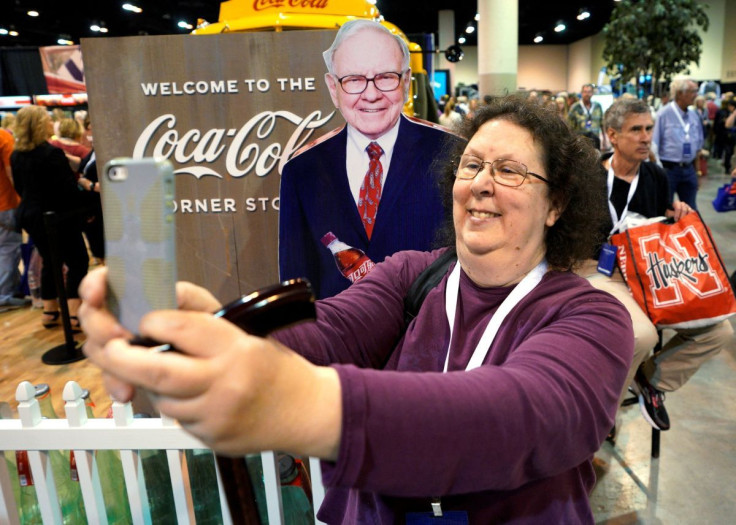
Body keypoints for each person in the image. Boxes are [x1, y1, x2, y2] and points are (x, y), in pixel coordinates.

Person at [79, 97, 632, 523]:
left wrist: (297, 402)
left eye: (510, 171)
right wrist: (221, 336)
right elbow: (328, 332)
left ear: (556, 203)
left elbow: (517, 417)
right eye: (470, 166)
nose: (481, 184)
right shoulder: (414, 273)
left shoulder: (589, 316)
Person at [579, 98, 733, 432]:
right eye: (636, 130)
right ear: (612, 135)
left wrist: (677, 216)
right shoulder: (588, 178)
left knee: (720, 330)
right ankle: (600, 419)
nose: (646, 137)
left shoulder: (656, 176)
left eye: (649, 129)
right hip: (601, 270)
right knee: (641, 335)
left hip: (650, 272)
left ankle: (651, 380)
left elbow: (662, 226)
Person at [279, 20, 461, 299]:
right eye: (354, 80)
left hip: (434, 337)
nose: (372, 94)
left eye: (386, 77)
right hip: (336, 338)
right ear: (333, 88)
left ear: (407, 81)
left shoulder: (454, 153)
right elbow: (297, 282)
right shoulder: (301, 169)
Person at [11, 105, 89, 330]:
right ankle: (74, 316)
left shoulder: (17, 155)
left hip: (30, 215)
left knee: (50, 261)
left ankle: (49, 311)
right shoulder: (51, 154)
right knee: (77, 261)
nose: (49, 123)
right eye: (45, 120)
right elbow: (67, 189)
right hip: (58, 215)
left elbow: (20, 188)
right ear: (38, 125)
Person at [652, 77, 704, 209]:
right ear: (680, 93)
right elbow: (654, 146)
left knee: (691, 211)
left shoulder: (694, 116)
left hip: (689, 170)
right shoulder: (663, 114)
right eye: (693, 91)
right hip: (668, 170)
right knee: (664, 209)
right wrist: (658, 174)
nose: (696, 95)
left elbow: (698, 147)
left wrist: (697, 172)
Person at [0, 126, 28, 309]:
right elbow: (12, 173)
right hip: (6, 202)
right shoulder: (3, 137)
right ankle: (5, 295)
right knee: (9, 247)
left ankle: (13, 286)